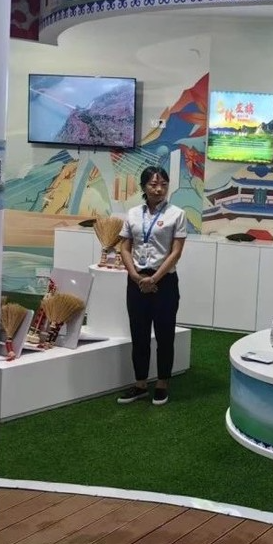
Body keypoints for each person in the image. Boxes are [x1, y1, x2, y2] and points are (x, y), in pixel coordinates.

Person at [117, 166, 187, 405]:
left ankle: (162, 383)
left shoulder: (177, 214)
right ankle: (140, 384)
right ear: (143, 187)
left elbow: (176, 252)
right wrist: (135, 276)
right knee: (139, 334)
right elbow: (125, 247)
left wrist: (154, 279)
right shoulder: (133, 213)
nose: (159, 189)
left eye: (163, 185)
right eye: (153, 185)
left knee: (165, 334)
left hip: (164, 281)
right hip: (136, 281)